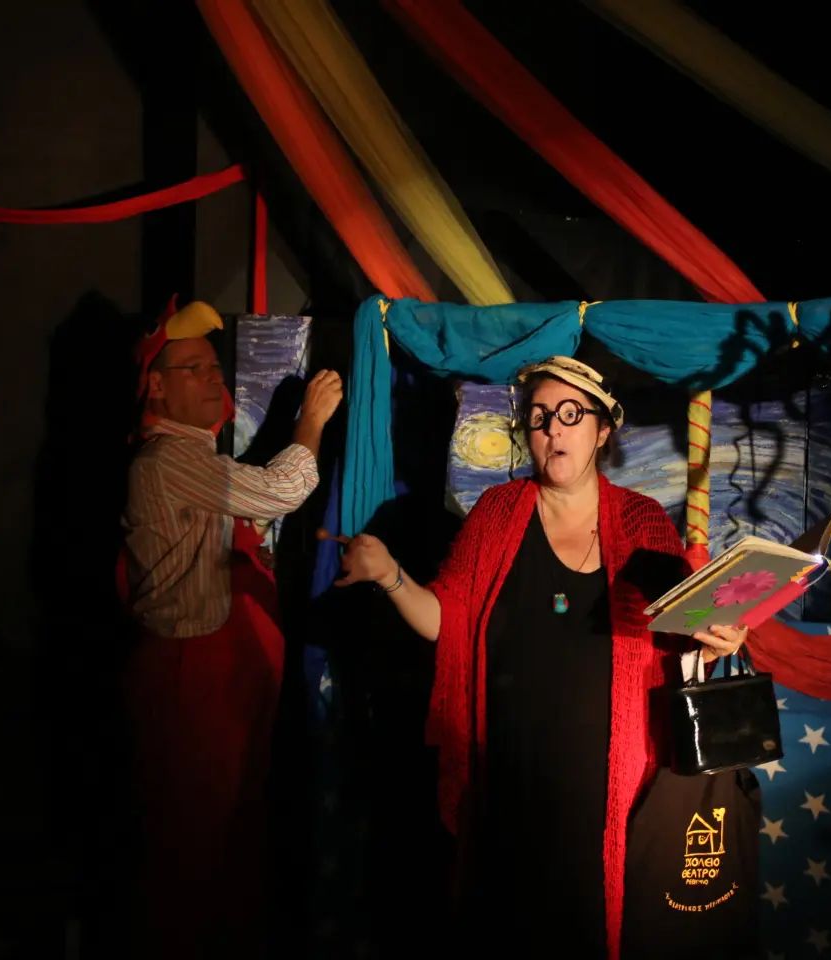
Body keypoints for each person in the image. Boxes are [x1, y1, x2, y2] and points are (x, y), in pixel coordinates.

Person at [330, 356, 750, 958]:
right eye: (539, 416)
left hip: (605, 778)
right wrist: (390, 575)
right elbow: (446, 620)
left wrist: (719, 637)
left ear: (602, 430)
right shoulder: (497, 512)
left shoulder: (642, 521)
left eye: (571, 414)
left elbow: (683, 635)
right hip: (507, 773)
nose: (554, 428)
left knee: (589, 924)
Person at [119, 298, 343, 959]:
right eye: (192, 367)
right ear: (156, 388)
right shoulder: (167, 460)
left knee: (231, 837)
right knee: (194, 845)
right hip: (190, 679)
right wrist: (310, 421)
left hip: (218, 678)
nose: (212, 376)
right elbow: (282, 490)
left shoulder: (195, 460)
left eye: (213, 365)